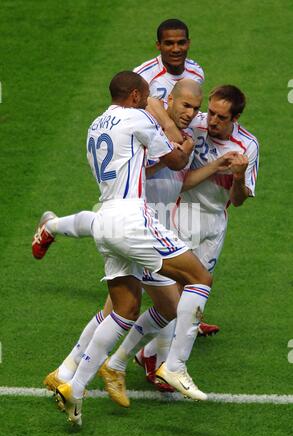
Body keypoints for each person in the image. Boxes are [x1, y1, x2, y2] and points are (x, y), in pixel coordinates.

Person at [35, 80, 229, 400]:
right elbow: (175, 159)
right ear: (139, 97)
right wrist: (174, 132)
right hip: (134, 223)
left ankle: (72, 380)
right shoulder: (140, 120)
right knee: (193, 282)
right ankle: (169, 364)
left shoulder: (96, 125)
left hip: (114, 220)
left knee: (121, 309)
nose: (192, 113)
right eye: (185, 106)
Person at [132, 84, 259, 384]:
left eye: (221, 117)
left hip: (215, 223)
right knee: (177, 296)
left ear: (236, 118)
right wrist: (169, 125)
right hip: (182, 213)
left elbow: (238, 200)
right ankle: (162, 364)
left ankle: (147, 355)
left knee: (191, 295)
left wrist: (238, 177)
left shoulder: (248, 146)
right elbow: (152, 101)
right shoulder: (194, 124)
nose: (211, 120)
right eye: (211, 112)